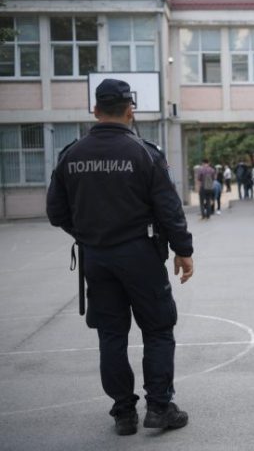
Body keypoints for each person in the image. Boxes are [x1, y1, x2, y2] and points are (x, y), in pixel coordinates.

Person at [46, 78, 194, 435]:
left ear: (95, 110)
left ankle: (123, 412)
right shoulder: (145, 153)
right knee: (158, 329)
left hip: (96, 258)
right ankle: (159, 407)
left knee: (111, 334)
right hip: (140, 254)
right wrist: (183, 251)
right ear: (131, 110)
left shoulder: (71, 154)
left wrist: (87, 236)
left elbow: (56, 212)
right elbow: (169, 209)